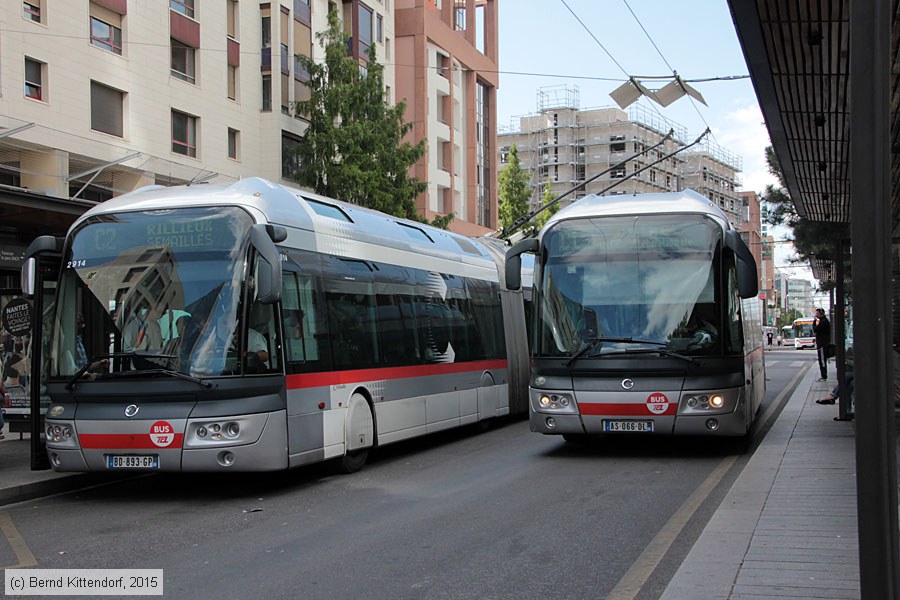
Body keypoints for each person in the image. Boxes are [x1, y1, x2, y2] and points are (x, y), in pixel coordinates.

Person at [813, 307, 831, 381]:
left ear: (821, 313)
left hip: (823, 344)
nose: (816, 315)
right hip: (821, 343)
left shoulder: (823, 322)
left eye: (817, 313)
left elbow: (815, 329)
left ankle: (824, 375)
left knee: (822, 360)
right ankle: (823, 375)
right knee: (821, 359)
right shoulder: (822, 321)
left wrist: (814, 322)